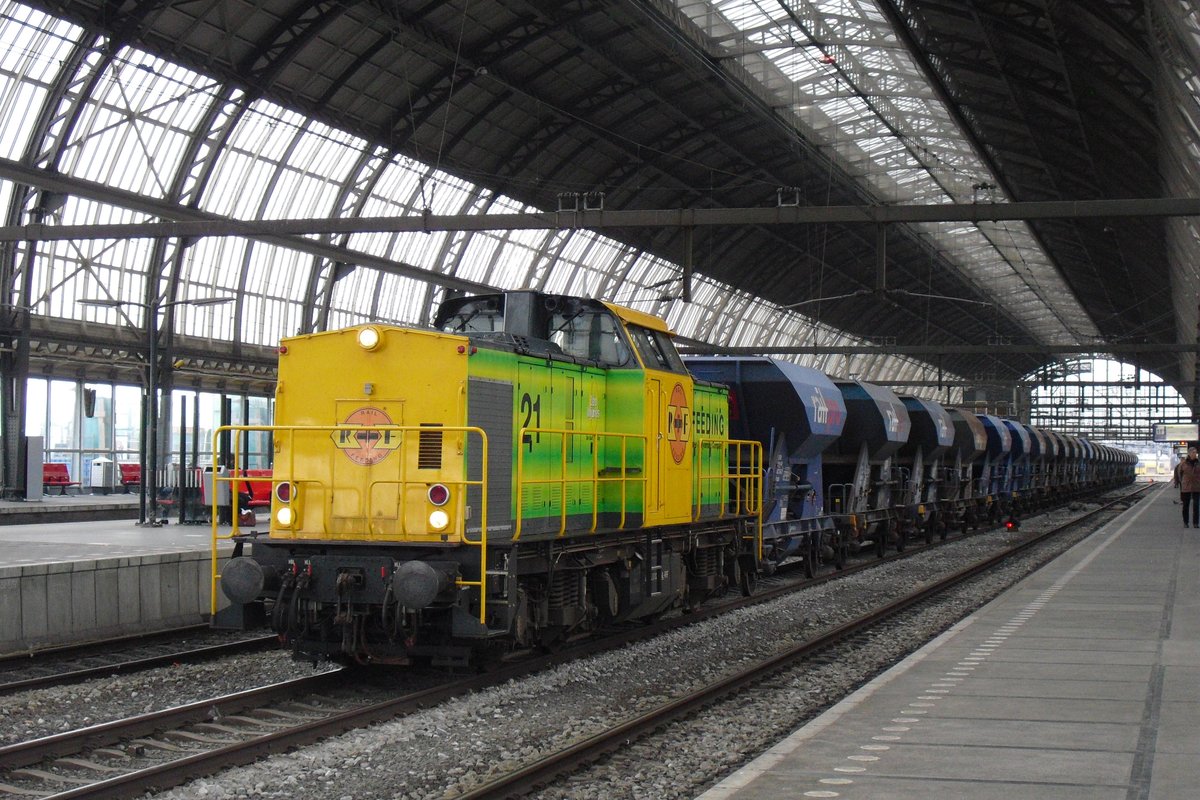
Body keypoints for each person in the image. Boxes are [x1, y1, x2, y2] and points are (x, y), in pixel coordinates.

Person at [1174, 447, 1200, 527]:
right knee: (1186, 505)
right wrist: (1181, 482)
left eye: (1195, 452)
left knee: (1196, 505)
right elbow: (1179, 474)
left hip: (1197, 486)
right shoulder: (1183, 464)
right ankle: (1186, 522)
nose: (1194, 454)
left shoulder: (1198, 463)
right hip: (1186, 487)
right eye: (1193, 452)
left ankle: (1195, 523)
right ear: (1189, 453)